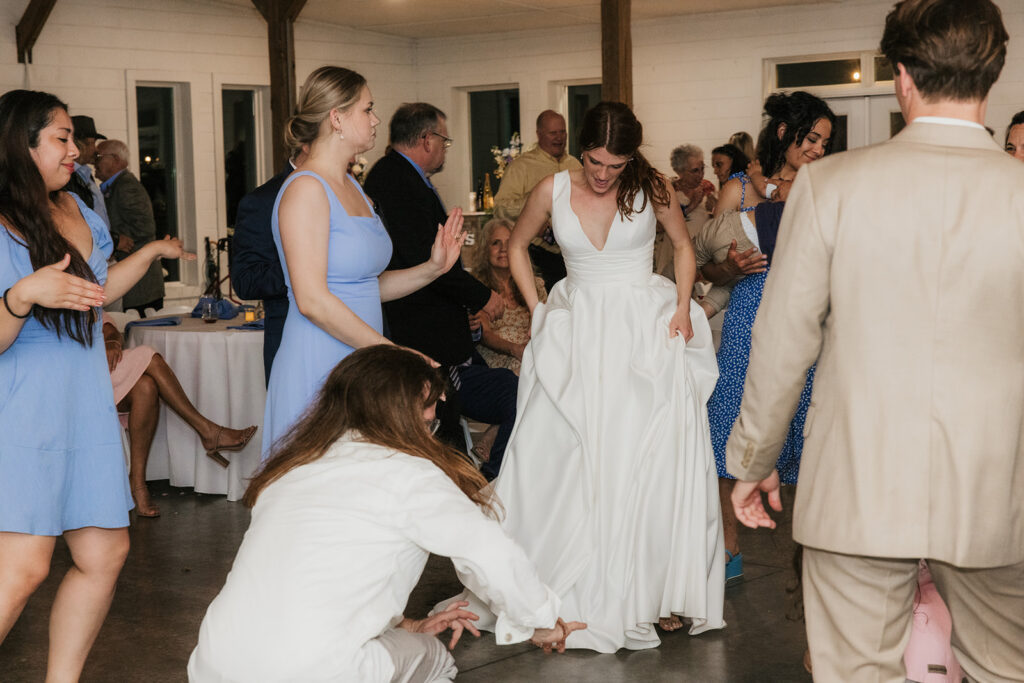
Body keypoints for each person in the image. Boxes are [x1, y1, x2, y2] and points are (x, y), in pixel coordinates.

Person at [728, 1, 1024, 681]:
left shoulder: (832, 186)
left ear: (902, 77)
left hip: (857, 489)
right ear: (992, 74)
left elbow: (782, 342)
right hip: (996, 494)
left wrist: (754, 457)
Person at [445, 102, 725, 652]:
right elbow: (520, 246)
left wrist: (682, 308)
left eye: (614, 166)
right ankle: (570, 578)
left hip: (643, 333)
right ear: (582, 150)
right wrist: (540, 308)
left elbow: (686, 248)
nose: (602, 175)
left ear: (631, 158)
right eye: (595, 162)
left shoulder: (654, 191)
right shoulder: (553, 189)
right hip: (579, 333)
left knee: (648, 460)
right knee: (571, 455)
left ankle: (651, 589)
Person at [189, 346, 585, 682]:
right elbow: (491, 553)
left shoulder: (292, 469)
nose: (433, 421)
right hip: (315, 670)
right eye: (430, 411)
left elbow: (309, 579)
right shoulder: (411, 474)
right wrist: (542, 620)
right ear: (407, 411)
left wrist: (407, 626)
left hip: (216, 663)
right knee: (437, 660)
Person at [0, 89, 193, 681]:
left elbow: (99, 291)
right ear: (21, 144)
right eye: (61, 138)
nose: (77, 152)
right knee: (26, 565)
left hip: (83, 403)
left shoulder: (80, 213)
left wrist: (157, 249)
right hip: (25, 405)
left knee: (104, 553)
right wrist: (22, 295)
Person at [261, 68, 466, 460]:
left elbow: (365, 286)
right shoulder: (306, 189)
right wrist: (394, 353)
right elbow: (312, 300)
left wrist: (433, 268)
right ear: (336, 118)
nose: (375, 120)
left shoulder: (353, 185)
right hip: (319, 358)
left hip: (361, 361)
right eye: (367, 109)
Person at [704, 91, 834, 583]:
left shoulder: (823, 184)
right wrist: (729, 266)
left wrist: (770, 189)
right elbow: (710, 265)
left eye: (826, 141)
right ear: (785, 133)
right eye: (814, 138)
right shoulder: (736, 189)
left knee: (808, 432)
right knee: (728, 426)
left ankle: (814, 555)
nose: (820, 149)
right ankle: (726, 548)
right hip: (748, 318)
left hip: (807, 318)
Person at [364, 103, 516, 480]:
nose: (445, 149)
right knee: (452, 429)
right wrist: (482, 296)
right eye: (444, 141)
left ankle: (480, 474)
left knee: (514, 391)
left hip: (440, 333)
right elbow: (429, 263)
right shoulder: (396, 181)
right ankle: (483, 479)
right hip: (423, 340)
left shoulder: (401, 177)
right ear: (426, 139)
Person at [101, 313, 256, 517]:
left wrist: (111, 340)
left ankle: (137, 485)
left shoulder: (83, 297)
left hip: (104, 370)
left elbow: (107, 326)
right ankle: (208, 431)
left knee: (146, 387)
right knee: (148, 354)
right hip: (75, 378)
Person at [230, 146, 308, 384]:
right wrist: (304, 270)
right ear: (307, 144)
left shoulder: (353, 191)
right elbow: (246, 280)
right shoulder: (264, 200)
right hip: (295, 342)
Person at [494, 110, 583, 292]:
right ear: (539, 134)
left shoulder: (575, 165)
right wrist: (535, 210)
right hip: (538, 256)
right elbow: (501, 207)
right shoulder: (521, 167)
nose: (559, 137)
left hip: (574, 254)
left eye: (562, 132)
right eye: (553, 133)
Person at [469, 217, 547, 376]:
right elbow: (485, 334)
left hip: (535, 352)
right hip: (499, 359)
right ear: (485, 250)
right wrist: (516, 350)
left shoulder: (535, 285)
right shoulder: (476, 287)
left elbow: (545, 324)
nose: (503, 248)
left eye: (509, 241)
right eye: (495, 243)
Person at [96, 138, 164, 315]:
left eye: (99, 157)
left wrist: (115, 240)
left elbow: (145, 228)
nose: (94, 162)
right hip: (136, 285)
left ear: (116, 160)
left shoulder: (126, 187)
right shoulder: (117, 186)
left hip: (140, 289)